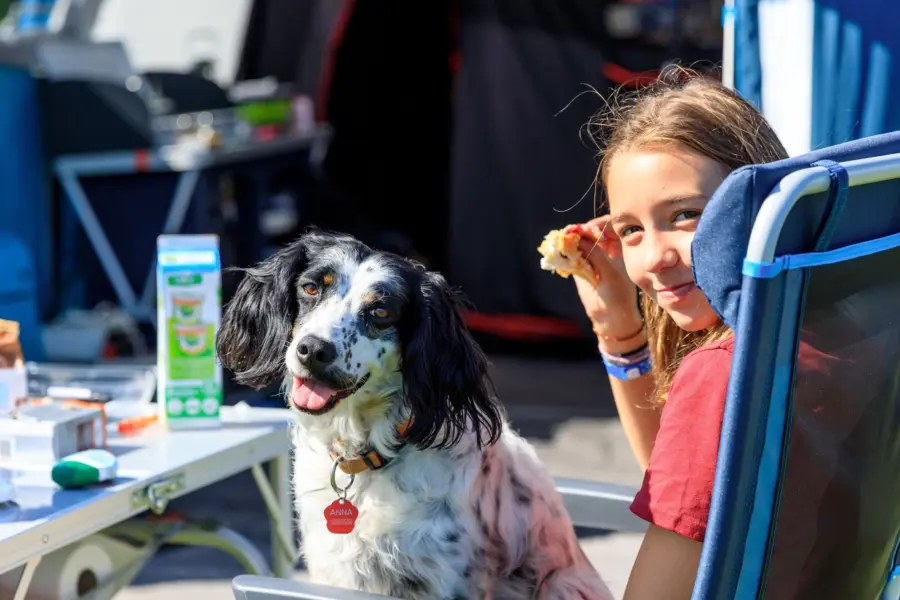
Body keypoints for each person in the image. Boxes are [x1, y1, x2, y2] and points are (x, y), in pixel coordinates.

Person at [564, 67, 807, 598]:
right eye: (631, 229)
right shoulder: (823, 334)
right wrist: (619, 332)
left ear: (759, 205)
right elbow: (685, 487)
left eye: (685, 215)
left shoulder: (720, 372)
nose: (654, 258)